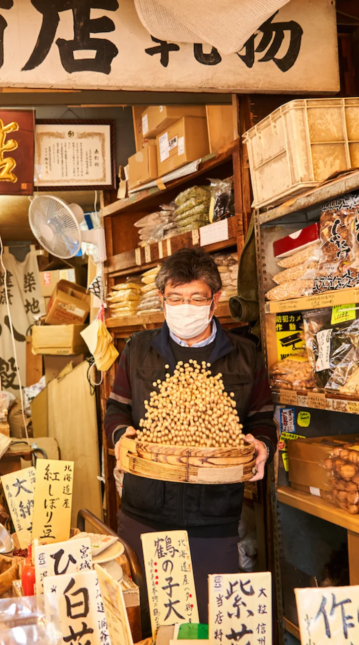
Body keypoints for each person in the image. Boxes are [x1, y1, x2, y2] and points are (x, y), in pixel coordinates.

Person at [104, 247, 274, 615]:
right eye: (175, 298)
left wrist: (261, 444)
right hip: (144, 509)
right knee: (148, 615)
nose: (185, 307)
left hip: (213, 515)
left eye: (196, 298)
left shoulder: (246, 355)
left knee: (212, 618)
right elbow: (116, 409)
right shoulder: (138, 349)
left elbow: (262, 416)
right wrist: (121, 439)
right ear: (163, 301)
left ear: (214, 302)